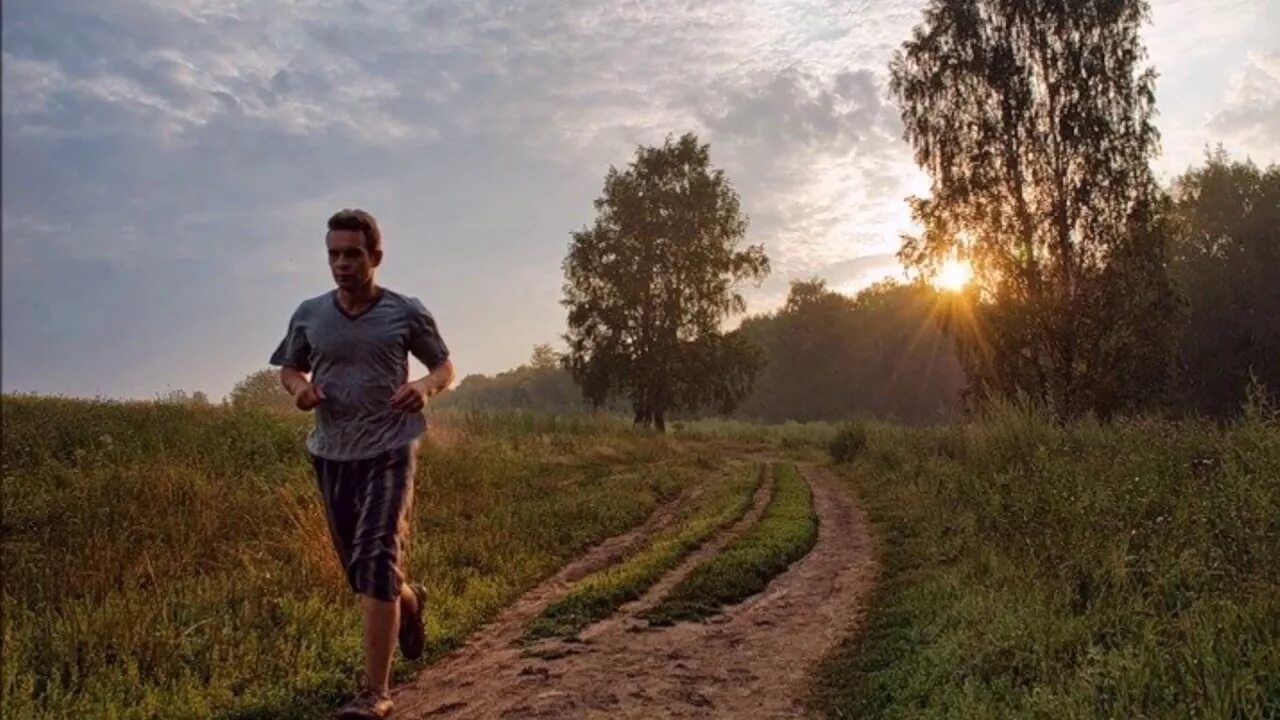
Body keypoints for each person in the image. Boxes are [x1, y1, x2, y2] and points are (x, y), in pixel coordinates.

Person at [270, 208, 455, 719]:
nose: (342, 264)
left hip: (391, 448)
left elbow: (444, 365)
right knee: (362, 574)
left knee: (376, 558)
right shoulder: (310, 313)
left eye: (353, 254)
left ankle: (376, 693)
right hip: (332, 452)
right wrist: (301, 389)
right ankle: (410, 601)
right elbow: (289, 366)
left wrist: (423, 386)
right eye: (334, 254)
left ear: (375, 256)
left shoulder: (404, 311)